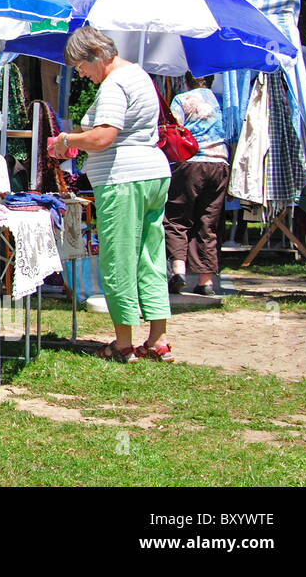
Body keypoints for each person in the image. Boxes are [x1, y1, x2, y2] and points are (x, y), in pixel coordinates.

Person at [49, 26, 174, 363]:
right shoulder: (139, 75)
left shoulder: (115, 83)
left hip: (124, 179)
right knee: (150, 256)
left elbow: (103, 136)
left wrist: (66, 142)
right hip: (153, 174)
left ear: (96, 56)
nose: (83, 75)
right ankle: (158, 340)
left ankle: (123, 343)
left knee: (118, 258)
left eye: (81, 67)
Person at [163, 74, 229, 296]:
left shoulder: (182, 100)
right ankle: (206, 281)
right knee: (208, 222)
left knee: (177, 218)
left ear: (186, 81)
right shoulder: (222, 100)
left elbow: (176, 131)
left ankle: (178, 271)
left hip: (191, 162)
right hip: (219, 162)